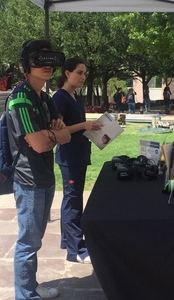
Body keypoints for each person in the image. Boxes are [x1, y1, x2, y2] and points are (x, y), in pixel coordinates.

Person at [7, 39, 71, 299]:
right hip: (29, 180)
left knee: (36, 239)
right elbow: (40, 144)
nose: (46, 66)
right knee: (28, 242)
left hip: (45, 177)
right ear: (27, 63)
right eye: (39, 59)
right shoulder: (20, 98)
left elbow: (64, 135)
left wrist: (52, 134)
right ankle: (25, 294)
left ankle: (30, 286)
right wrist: (52, 134)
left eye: (50, 60)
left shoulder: (45, 98)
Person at [53, 58, 102, 264]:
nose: (83, 77)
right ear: (67, 73)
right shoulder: (60, 98)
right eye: (79, 73)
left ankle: (68, 241)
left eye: (84, 73)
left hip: (80, 155)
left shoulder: (75, 97)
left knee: (73, 199)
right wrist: (84, 125)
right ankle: (76, 249)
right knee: (72, 201)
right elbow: (58, 130)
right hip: (69, 157)